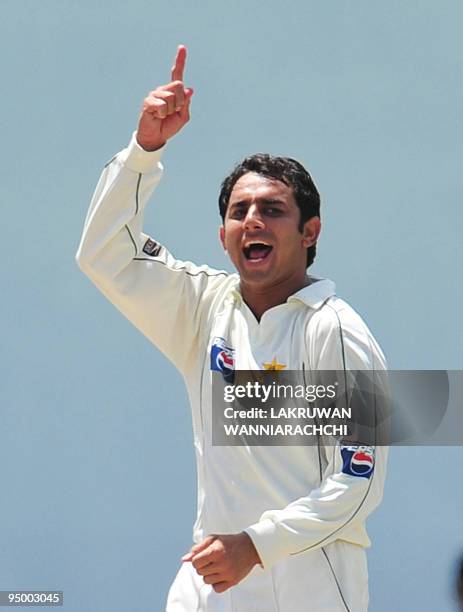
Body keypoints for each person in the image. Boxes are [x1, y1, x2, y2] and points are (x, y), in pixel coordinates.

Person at [76, 45, 388, 611]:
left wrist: (256, 545)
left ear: (310, 232)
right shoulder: (204, 309)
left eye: (272, 210)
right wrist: (145, 149)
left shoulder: (336, 332)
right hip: (210, 588)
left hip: (309, 591)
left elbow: (358, 483)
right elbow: (104, 255)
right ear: (223, 237)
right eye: (239, 211)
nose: (253, 221)